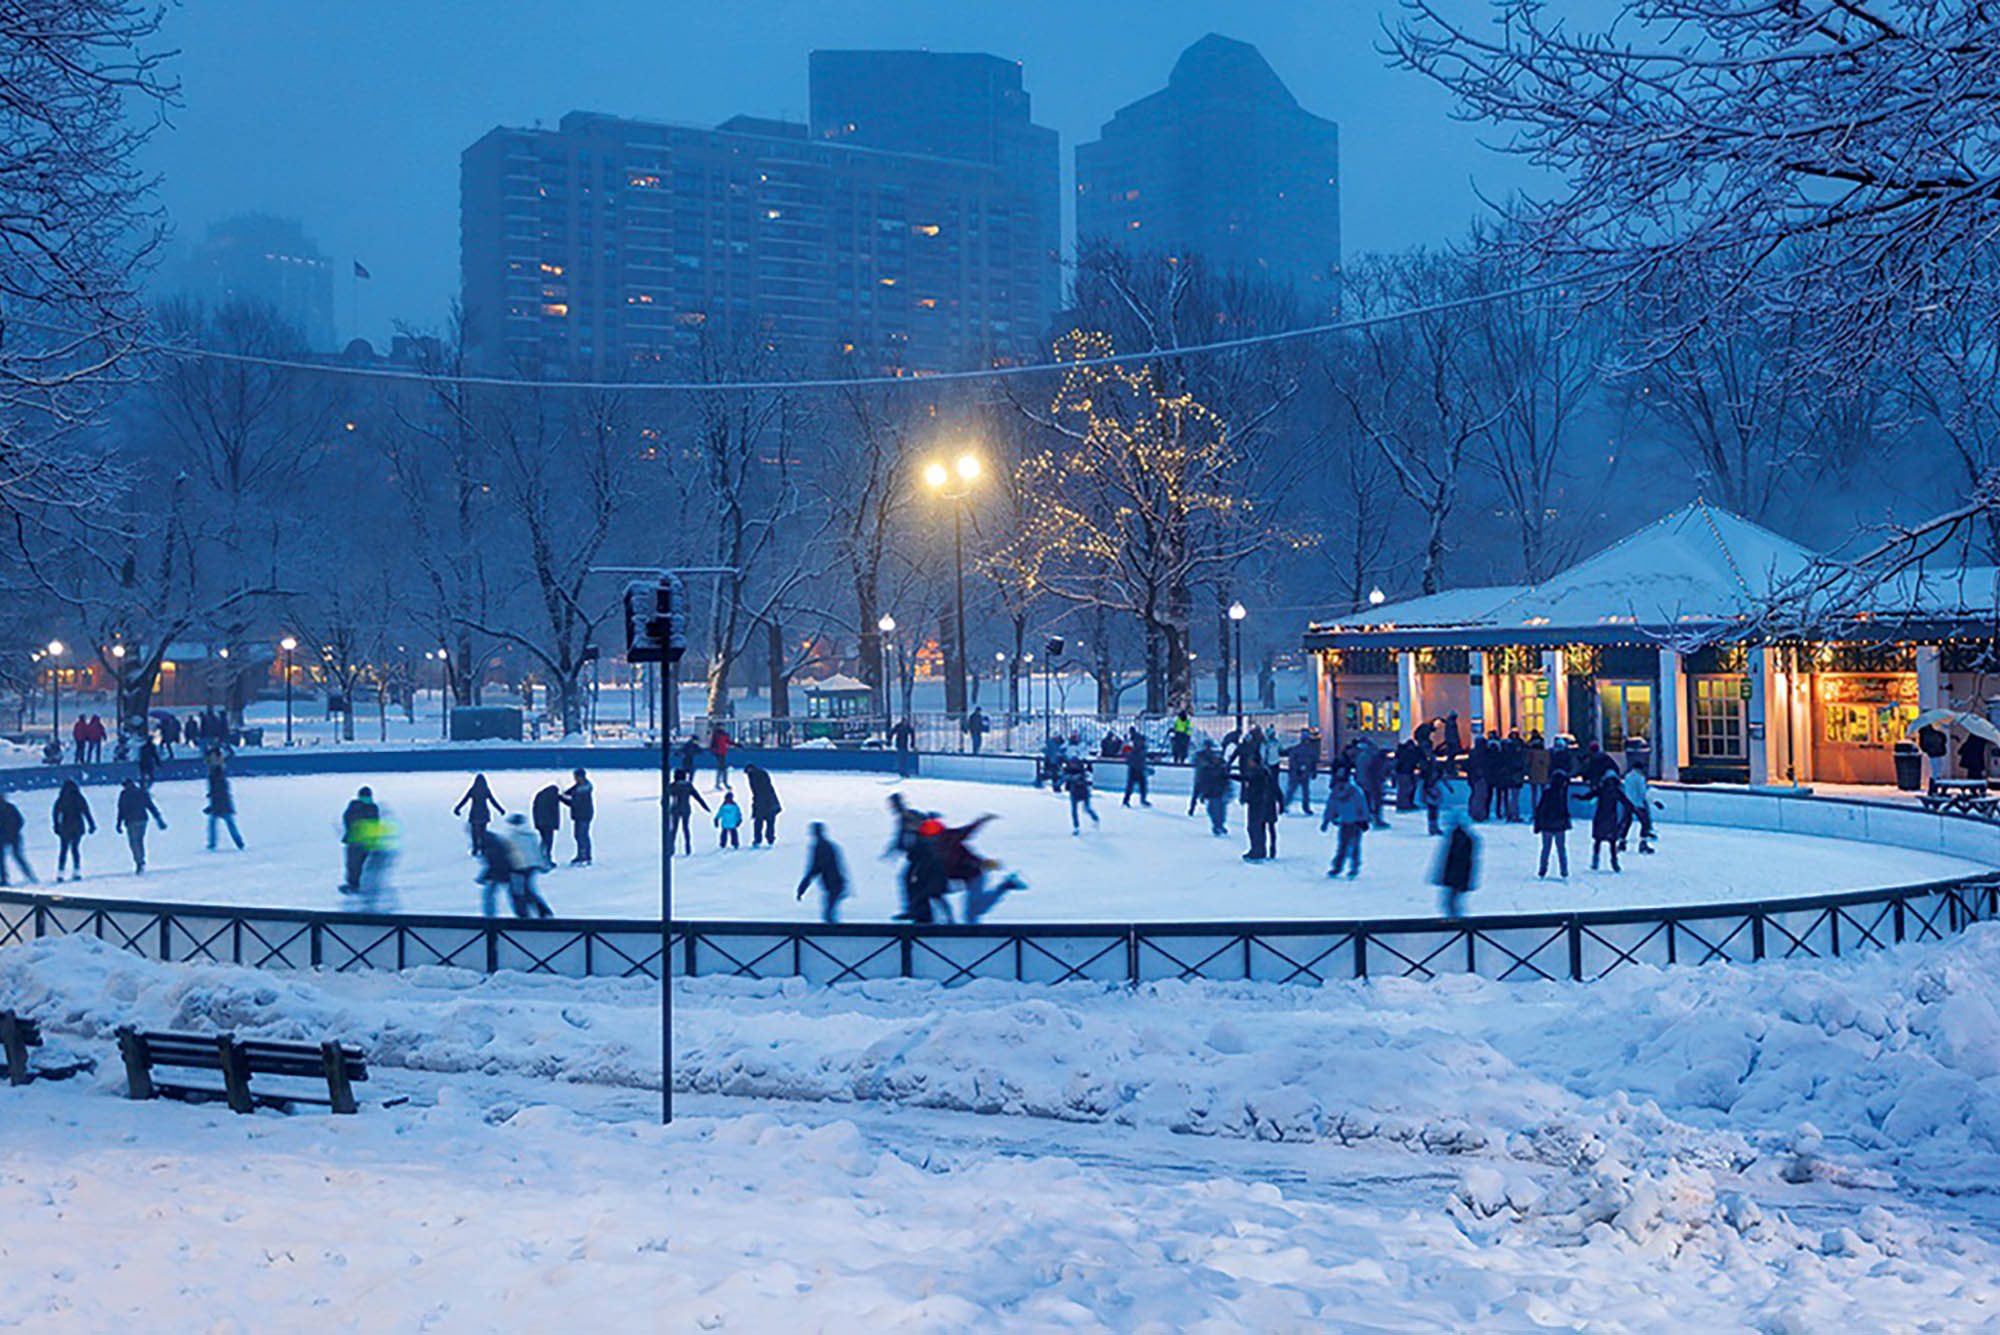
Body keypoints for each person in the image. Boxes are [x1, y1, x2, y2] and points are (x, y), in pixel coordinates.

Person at [499, 812, 552, 917]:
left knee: (517, 892)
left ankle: (523, 914)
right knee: (527, 890)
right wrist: (543, 864)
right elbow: (537, 850)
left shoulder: (510, 836)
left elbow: (508, 853)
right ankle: (543, 911)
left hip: (517, 867)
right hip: (531, 866)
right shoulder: (530, 835)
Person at [795, 822, 850, 923]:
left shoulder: (821, 847)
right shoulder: (828, 846)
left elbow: (815, 868)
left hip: (832, 883)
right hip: (834, 882)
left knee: (829, 913)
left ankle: (833, 934)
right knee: (829, 913)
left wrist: (802, 888)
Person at [1321, 769, 1370, 879]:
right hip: (1351, 822)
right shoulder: (1355, 791)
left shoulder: (1337, 792)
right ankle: (1350, 867)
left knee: (1345, 846)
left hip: (1350, 822)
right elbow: (1362, 806)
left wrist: (1326, 821)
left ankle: (1342, 867)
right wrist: (1364, 819)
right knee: (1350, 846)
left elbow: (1331, 808)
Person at [114, 780, 165, 874]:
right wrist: (158, 819)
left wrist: (118, 823)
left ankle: (139, 861)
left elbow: (121, 809)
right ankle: (140, 860)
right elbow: (150, 806)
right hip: (142, 820)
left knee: (134, 842)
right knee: (139, 840)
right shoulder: (141, 792)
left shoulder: (124, 795)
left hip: (131, 821)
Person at [1591, 769, 1637, 872]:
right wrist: (1634, 809)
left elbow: (1590, 795)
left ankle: (1597, 860)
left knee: (1600, 841)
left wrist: (1579, 797)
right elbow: (1626, 803)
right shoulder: (1615, 791)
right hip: (1610, 818)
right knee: (1610, 842)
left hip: (1602, 817)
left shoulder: (1602, 789)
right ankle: (1613, 862)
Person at [1435, 814, 1478, 918]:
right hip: (1458, 877)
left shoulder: (1458, 839)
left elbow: (1453, 860)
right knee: (1451, 903)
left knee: (1450, 903)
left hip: (1456, 878)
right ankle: (1457, 922)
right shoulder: (1460, 838)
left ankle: (1457, 923)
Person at [51, 779, 94, 881]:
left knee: (63, 850)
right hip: (77, 826)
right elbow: (86, 812)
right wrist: (91, 824)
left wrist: (56, 825)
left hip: (65, 826)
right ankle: (77, 871)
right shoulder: (79, 798)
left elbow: (56, 813)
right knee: (75, 849)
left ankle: (60, 873)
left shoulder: (62, 798)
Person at [339, 786, 379, 893]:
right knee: (354, 865)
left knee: (357, 865)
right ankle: (354, 885)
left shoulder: (369, 807)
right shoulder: (361, 806)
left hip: (360, 842)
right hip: (358, 841)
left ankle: (356, 886)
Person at [453, 774, 504, 856]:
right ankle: (483, 849)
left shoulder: (473, 790)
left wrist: (457, 809)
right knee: (483, 832)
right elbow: (493, 801)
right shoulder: (486, 790)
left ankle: (476, 848)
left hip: (474, 814)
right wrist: (501, 810)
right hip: (484, 814)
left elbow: (464, 800)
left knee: (474, 833)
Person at [1533, 770, 1571, 879]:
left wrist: (1538, 824)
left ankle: (1542, 870)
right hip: (1559, 825)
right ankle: (1563, 870)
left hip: (1547, 825)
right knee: (1561, 849)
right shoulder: (1561, 794)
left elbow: (1540, 809)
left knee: (1546, 848)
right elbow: (1563, 810)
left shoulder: (1547, 793)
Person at [1190, 739, 1230, 836]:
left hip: (1217, 789)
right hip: (1210, 788)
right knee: (1214, 808)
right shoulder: (1203, 759)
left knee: (1220, 809)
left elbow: (1226, 778)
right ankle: (1217, 825)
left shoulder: (1216, 763)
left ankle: (1219, 825)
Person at [1243, 763, 1281, 862]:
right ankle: (1269, 850)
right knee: (1267, 828)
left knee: (1256, 828)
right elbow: (1277, 791)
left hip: (1258, 805)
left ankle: (1258, 851)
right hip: (1268, 805)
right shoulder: (1267, 776)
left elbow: (1246, 778)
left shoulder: (1257, 774)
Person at [475, 826, 516, 917]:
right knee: (512, 894)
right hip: (505, 871)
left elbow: (494, 863)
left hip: (501, 872)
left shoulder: (490, 847)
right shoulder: (494, 843)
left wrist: (483, 876)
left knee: (490, 895)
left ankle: (490, 916)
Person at [667, 769, 709, 855]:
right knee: (686, 828)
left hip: (675, 809)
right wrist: (705, 806)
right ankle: (688, 848)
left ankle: (671, 848)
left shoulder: (673, 786)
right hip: (686, 809)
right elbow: (697, 797)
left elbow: (666, 796)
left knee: (674, 829)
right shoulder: (688, 786)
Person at [205, 763, 244, 851]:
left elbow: (217, 794)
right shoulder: (220, 780)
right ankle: (239, 842)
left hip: (220, 806)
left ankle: (212, 843)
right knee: (229, 824)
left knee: (215, 824)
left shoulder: (215, 780)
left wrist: (212, 806)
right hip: (223, 805)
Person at [1283, 727, 1321, 816]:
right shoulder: (1308, 749)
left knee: (1296, 790)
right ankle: (1303, 807)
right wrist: (1312, 771)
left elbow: (1312, 761)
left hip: (1300, 773)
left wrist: (1312, 770)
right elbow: (1312, 761)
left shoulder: (1299, 749)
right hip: (1301, 773)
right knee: (1299, 791)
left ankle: (1287, 805)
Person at [1620, 762, 1656, 854]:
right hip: (1638, 804)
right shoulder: (1640, 778)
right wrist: (1653, 802)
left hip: (1628, 802)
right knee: (1645, 824)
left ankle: (1622, 843)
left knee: (1626, 822)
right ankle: (1643, 844)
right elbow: (1642, 793)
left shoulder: (1627, 777)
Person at [561, 768, 594, 865]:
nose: (575, 779)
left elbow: (574, 803)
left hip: (584, 815)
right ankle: (584, 855)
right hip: (580, 815)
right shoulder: (579, 786)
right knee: (579, 835)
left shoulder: (583, 790)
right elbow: (570, 792)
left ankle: (584, 856)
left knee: (581, 835)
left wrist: (563, 799)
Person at [744, 763, 782, 847]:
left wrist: (755, 806)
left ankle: (760, 839)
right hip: (769, 802)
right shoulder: (761, 775)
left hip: (763, 803)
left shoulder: (754, 777)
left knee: (760, 822)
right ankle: (769, 838)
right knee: (769, 822)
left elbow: (757, 792)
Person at [0, 792, 33, 885]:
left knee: (8, 858)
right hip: (12, 836)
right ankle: (29, 876)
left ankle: (5, 879)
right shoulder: (10, 807)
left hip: (8, 836)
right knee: (16, 857)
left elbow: (20, 821)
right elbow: (20, 821)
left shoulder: (10, 808)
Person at [1062, 754, 1099, 835]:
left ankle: (1095, 818)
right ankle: (1076, 827)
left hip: (1083, 792)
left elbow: (1087, 779)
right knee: (1074, 810)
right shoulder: (1067, 770)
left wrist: (1077, 779)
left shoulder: (1082, 771)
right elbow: (1064, 778)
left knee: (1086, 808)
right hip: (1074, 792)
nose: (1073, 764)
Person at [531, 783, 564, 863]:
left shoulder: (540, 795)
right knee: (548, 842)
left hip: (540, 823)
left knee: (544, 841)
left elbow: (534, 809)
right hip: (548, 824)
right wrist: (556, 824)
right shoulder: (552, 798)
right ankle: (546, 859)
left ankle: (541, 858)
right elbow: (554, 811)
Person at [1121, 728, 1151, 807]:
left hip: (1135, 766)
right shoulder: (1137, 743)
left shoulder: (1132, 743)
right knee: (1141, 785)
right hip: (1137, 766)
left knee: (1132, 785)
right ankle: (1142, 800)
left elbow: (1125, 752)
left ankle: (1126, 800)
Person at [1466, 736, 1492, 822]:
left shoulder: (1473, 753)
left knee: (1476, 795)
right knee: (1480, 796)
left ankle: (1474, 812)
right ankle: (1478, 814)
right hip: (1480, 777)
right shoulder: (1481, 753)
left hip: (1474, 777)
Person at [1525, 732, 1551, 817]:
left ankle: (1535, 812)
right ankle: (1543, 811)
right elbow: (1548, 764)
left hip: (1533, 776)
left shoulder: (1531, 753)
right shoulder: (1545, 753)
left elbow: (1527, 763)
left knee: (1534, 795)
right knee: (1543, 794)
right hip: (1543, 776)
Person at [709, 723, 733, 790]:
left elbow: (728, 742)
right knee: (721, 768)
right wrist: (714, 751)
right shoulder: (716, 735)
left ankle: (723, 783)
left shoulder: (725, 734)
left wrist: (736, 744)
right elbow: (712, 744)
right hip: (718, 753)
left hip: (723, 753)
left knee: (723, 769)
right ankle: (718, 783)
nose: (722, 727)